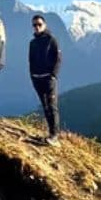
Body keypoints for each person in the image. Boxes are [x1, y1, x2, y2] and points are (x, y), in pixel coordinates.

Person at [28, 14, 61, 145]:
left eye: (39, 24)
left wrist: (53, 75)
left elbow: (58, 58)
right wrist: (32, 75)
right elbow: (30, 60)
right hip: (37, 78)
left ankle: (55, 136)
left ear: (44, 25)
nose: (36, 27)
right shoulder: (32, 43)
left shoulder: (51, 39)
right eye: (34, 25)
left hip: (48, 79)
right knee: (45, 106)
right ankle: (50, 133)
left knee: (52, 106)